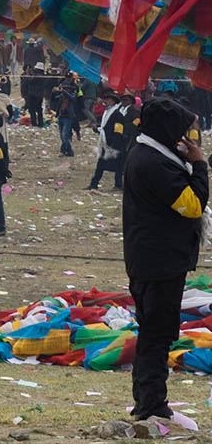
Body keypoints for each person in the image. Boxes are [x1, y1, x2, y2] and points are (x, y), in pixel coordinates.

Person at [123, 97, 209, 423]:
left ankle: (149, 401)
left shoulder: (151, 154)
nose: (183, 138)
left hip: (153, 260)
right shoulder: (154, 163)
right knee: (157, 335)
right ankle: (152, 404)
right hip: (159, 264)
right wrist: (199, 166)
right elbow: (191, 205)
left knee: (154, 333)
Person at [89, 90, 131, 191]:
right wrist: (97, 128)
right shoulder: (107, 113)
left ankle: (117, 185)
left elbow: (118, 131)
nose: (105, 101)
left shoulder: (117, 115)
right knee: (102, 165)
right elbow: (105, 128)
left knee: (118, 167)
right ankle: (94, 184)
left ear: (113, 101)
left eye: (108, 99)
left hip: (114, 144)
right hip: (106, 144)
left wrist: (113, 145)